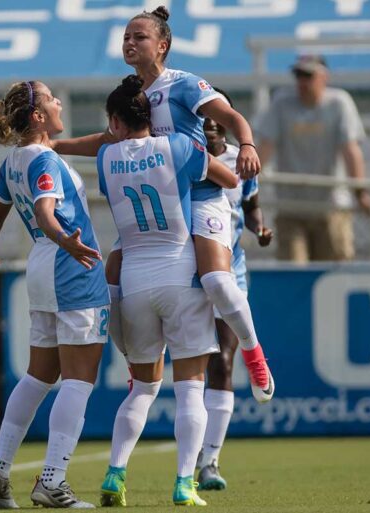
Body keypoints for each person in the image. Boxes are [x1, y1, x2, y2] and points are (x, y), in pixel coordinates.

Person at [110, 5, 274, 405]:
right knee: (111, 281)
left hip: (201, 197)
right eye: (127, 37)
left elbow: (230, 115)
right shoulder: (132, 94)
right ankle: (139, 366)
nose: (130, 43)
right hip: (161, 207)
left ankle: (254, 354)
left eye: (140, 37)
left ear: (162, 45)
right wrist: (54, 146)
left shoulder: (183, 84)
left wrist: (248, 143)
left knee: (218, 282)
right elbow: (107, 138)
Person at [96, 75, 238, 508]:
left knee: (141, 389)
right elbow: (229, 181)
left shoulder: (105, 157)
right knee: (191, 389)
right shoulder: (179, 147)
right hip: (180, 275)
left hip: (134, 282)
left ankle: (115, 474)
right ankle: (183, 483)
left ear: (116, 122)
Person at [0, 80, 110, 509]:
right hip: (70, 266)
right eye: (51, 98)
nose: (57, 103)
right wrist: (65, 240)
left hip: (42, 267)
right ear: (37, 116)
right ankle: (52, 481)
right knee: (79, 380)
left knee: (39, 376)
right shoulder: (44, 159)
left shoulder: (14, 159)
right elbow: (45, 210)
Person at [196, 112, 274, 492]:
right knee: (189, 366)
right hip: (185, 271)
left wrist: (259, 228)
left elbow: (251, 205)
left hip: (232, 268)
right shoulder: (184, 154)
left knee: (222, 361)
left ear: (226, 126)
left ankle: (209, 460)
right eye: (203, 120)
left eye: (215, 120)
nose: (209, 126)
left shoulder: (240, 162)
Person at [256, 54, 370, 262]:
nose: (302, 81)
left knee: (335, 269)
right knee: (292, 270)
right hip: (291, 207)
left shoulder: (339, 103)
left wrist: (360, 192)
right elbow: (265, 146)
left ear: (324, 77)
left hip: (331, 205)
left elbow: (350, 150)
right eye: (299, 75)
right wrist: (248, 183)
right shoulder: (282, 103)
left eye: (308, 75)